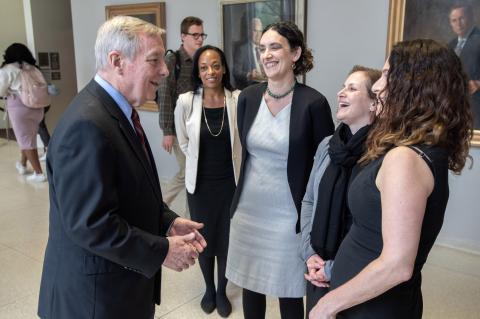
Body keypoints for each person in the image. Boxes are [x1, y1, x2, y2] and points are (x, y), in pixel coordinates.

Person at [37, 16, 207, 319]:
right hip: (92, 301)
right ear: (117, 61)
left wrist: (166, 221)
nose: (165, 70)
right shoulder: (87, 125)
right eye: (154, 60)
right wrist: (162, 250)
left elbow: (131, 192)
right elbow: (91, 224)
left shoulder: (117, 110)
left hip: (116, 290)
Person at [309, 39, 473, 319]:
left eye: (386, 75)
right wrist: (334, 270)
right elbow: (372, 237)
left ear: (412, 86)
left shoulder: (405, 159)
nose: (377, 86)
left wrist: (327, 304)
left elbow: (397, 264)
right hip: (368, 298)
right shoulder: (420, 150)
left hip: (373, 308)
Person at [226, 21, 335, 319]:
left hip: (290, 216)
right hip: (249, 211)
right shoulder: (247, 98)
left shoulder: (314, 103)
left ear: (295, 53)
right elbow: (245, 154)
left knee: (289, 290)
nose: (267, 55)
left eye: (275, 47)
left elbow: (325, 167)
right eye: (263, 48)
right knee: (251, 286)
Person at [300, 65, 380, 314]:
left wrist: (332, 269)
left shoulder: (383, 156)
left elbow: (375, 233)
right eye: (343, 86)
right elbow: (309, 200)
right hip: (317, 265)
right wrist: (309, 253)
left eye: (352, 88)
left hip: (357, 276)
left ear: (373, 104)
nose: (340, 93)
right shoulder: (327, 145)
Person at [174, 45, 241, 317]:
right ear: (198, 72)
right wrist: (199, 161)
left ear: (224, 68)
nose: (210, 72)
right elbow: (182, 141)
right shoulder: (186, 101)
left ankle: (222, 290)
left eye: (215, 65)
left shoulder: (238, 99)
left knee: (226, 239)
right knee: (203, 238)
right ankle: (208, 289)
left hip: (230, 184)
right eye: (204, 67)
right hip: (200, 186)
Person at [157, 16, 206, 210]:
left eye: (202, 34)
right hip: (178, 128)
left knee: (192, 173)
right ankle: (159, 206)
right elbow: (164, 96)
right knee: (188, 172)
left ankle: (188, 215)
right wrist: (167, 131)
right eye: (195, 35)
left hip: (198, 126)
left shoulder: (202, 60)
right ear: (183, 36)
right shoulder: (172, 60)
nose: (200, 39)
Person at [0, 43, 47, 182]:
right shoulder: (33, 68)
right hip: (38, 107)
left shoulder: (8, 69)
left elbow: (0, 90)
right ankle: (22, 164)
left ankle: (39, 173)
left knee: (25, 140)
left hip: (19, 107)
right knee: (29, 137)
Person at [448, 2, 480, 128]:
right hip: (455, 106)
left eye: (462, 18)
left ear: (471, 18)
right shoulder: (451, 45)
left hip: (476, 107)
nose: (458, 24)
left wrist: (478, 83)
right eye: (454, 20)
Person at [233, 17, 266, 89]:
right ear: (249, 31)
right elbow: (236, 72)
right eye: (255, 31)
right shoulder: (242, 49)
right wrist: (249, 74)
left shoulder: (266, 49)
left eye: (260, 31)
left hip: (267, 86)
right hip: (251, 88)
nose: (258, 34)